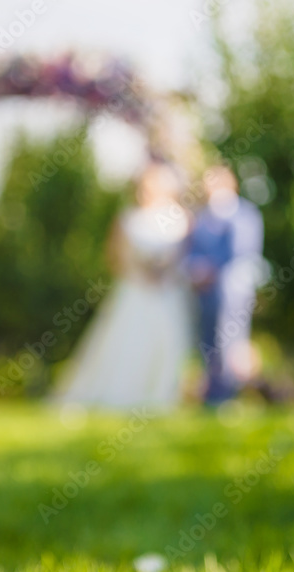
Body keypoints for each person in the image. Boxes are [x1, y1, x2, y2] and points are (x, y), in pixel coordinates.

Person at [55, 163, 191, 410]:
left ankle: (161, 396)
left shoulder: (179, 216)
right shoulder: (129, 218)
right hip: (134, 290)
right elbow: (114, 257)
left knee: (165, 341)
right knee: (128, 342)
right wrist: (139, 274)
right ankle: (121, 394)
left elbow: (182, 256)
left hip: (167, 292)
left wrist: (164, 272)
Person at [185, 165, 265, 404]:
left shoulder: (246, 214)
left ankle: (229, 391)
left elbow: (242, 250)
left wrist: (212, 270)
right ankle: (212, 389)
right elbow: (190, 249)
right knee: (207, 340)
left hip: (233, 292)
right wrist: (195, 270)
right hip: (205, 293)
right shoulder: (201, 216)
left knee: (230, 340)